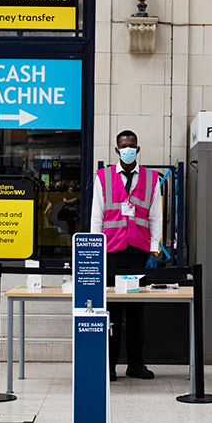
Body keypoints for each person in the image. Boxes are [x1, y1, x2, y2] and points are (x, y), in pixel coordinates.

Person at [90, 130, 162, 381]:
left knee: (136, 313)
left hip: (137, 253)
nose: (128, 149)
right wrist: (94, 251)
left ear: (138, 150)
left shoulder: (152, 179)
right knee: (111, 313)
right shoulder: (103, 177)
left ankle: (136, 364)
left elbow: (156, 217)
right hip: (111, 252)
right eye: (124, 146)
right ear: (117, 150)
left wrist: (154, 249)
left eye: (132, 145)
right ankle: (109, 366)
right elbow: (96, 217)